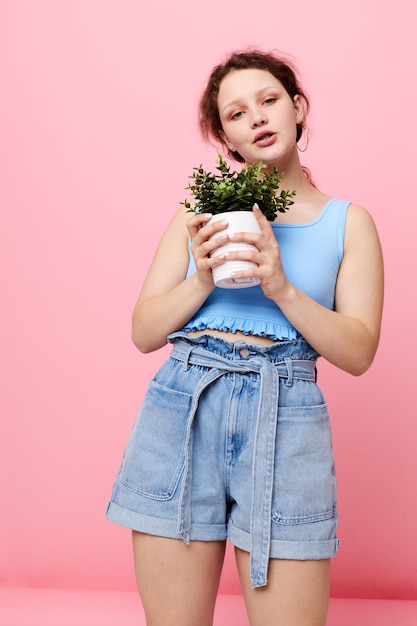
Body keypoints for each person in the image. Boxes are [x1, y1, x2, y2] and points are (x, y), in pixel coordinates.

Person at [106, 49, 384, 626]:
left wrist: (281, 286)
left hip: (286, 412)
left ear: (297, 107)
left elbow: (358, 352)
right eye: (235, 113)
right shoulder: (198, 214)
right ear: (224, 137)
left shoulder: (347, 223)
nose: (256, 118)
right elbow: (143, 331)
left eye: (268, 100)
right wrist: (202, 277)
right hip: (184, 405)